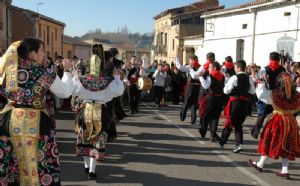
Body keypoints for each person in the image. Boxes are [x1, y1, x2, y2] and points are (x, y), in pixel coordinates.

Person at [0, 38, 74, 185]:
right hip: (38, 122)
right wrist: (67, 71)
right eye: (42, 51)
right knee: (40, 162)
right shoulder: (43, 73)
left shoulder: (6, 71)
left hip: (9, 120)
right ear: (33, 53)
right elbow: (65, 92)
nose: (44, 55)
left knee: (12, 161)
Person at [72, 47, 124, 180]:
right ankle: (92, 170)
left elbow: (73, 91)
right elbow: (119, 92)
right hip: (100, 112)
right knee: (96, 141)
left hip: (85, 110)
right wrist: (118, 79)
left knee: (85, 140)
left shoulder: (82, 79)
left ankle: (86, 165)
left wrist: (72, 75)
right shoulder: (108, 80)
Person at [248, 73, 300, 179]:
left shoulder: (275, 93)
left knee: (269, 141)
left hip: (277, 120)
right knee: (287, 144)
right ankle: (283, 170)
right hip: (291, 121)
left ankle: (261, 164)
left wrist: (261, 84)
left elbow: (262, 96)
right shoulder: (297, 94)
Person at [217, 60, 256, 153]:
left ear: (238, 68)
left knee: (235, 123)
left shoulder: (234, 77)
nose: (234, 69)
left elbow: (226, 91)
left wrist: (234, 92)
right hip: (245, 104)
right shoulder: (249, 78)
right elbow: (253, 92)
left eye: (235, 67)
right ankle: (223, 140)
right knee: (235, 122)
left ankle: (238, 144)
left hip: (235, 103)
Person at [250, 52, 285, 139]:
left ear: (269, 59)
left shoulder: (264, 70)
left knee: (261, 115)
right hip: (278, 96)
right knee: (275, 117)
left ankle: (255, 132)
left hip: (266, 96)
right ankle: (271, 133)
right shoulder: (283, 70)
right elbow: (288, 81)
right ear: (279, 59)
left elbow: (258, 81)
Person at [198, 62, 224, 142]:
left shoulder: (211, 75)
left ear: (215, 68)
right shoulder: (222, 75)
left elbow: (206, 85)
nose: (208, 69)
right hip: (219, 98)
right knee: (215, 117)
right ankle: (212, 135)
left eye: (210, 67)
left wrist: (201, 77)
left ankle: (203, 129)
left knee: (206, 115)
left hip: (211, 98)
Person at [176, 52, 201, 124]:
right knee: (194, 103)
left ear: (193, 60)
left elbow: (179, 67)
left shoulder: (190, 67)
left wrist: (177, 57)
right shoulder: (200, 66)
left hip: (191, 86)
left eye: (190, 60)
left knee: (186, 101)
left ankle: (182, 116)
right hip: (198, 87)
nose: (189, 62)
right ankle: (193, 119)